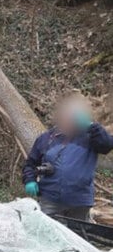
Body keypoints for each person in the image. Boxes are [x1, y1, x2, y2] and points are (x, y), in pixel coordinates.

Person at [23, 93, 113, 221]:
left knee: (78, 236)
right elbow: (30, 164)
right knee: (48, 234)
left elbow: (107, 145)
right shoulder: (46, 138)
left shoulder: (90, 137)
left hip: (80, 201)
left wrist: (92, 126)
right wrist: (29, 180)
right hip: (50, 199)